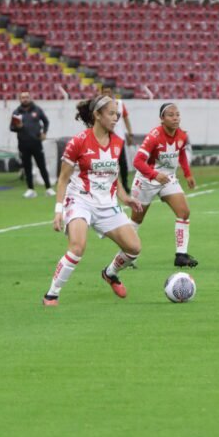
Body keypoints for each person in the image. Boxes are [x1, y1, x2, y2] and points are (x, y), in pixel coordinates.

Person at [43, 95, 143, 306]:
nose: (116, 118)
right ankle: (52, 294)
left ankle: (110, 273)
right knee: (78, 247)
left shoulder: (117, 142)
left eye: (117, 113)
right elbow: (62, 179)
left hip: (107, 204)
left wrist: (125, 198)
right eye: (111, 113)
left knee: (134, 248)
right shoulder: (78, 142)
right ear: (97, 115)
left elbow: (113, 174)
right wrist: (58, 210)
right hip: (80, 200)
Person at [131, 102, 198, 268]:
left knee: (184, 212)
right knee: (137, 219)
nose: (175, 118)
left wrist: (188, 174)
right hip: (147, 180)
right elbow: (137, 161)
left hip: (168, 179)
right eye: (171, 115)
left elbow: (181, 152)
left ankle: (181, 255)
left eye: (177, 114)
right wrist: (154, 174)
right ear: (162, 118)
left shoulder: (182, 135)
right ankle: (128, 255)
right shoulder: (154, 136)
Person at [10, 91, 54, 198]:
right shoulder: (16, 112)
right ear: (20, 99)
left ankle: (48, 188)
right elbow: (11, 128)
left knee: (42, 166)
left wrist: (44, 133)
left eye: (26, 97)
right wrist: (18, 127)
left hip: (36, 143)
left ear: (30, 98)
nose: (25, 99)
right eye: (23, 97)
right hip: (23, 144)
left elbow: (46, 122)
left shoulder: (37, 109)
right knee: (27, 167)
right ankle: (30, 189)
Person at [102, 86, 134, 194]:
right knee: (107, 164)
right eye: (104, 92)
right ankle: (108, 186)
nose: (107, 93)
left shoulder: (119, 104)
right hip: (105, 138)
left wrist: (130, 133)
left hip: (119, 138)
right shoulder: (100, 106)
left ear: (112, 93)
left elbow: (126, 119)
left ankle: (124, 184)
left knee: (122, 163)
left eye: (108, 91)